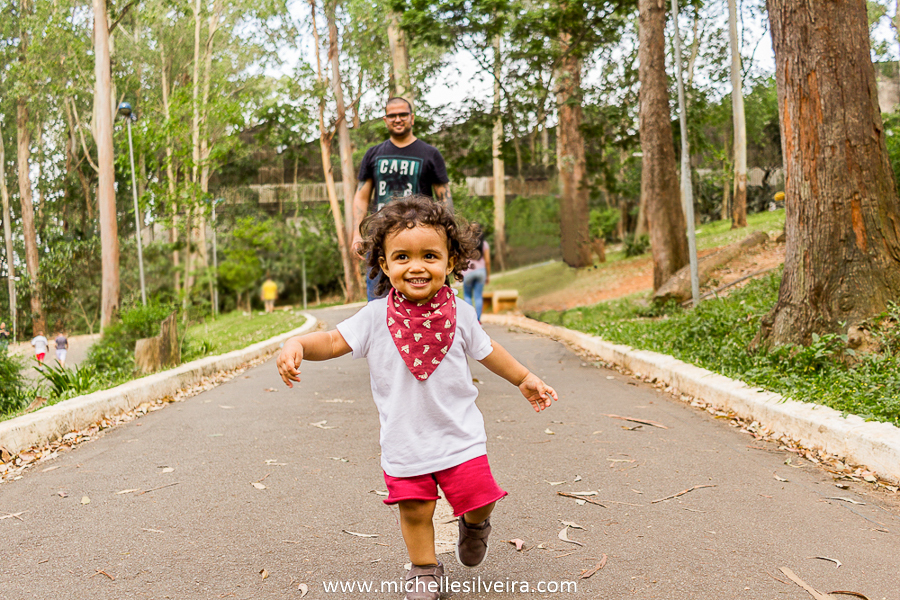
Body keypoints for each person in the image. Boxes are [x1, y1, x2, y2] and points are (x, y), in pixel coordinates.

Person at [277, 196, 557, 600]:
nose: (417, 266)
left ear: (450, 262)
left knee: (480, 499)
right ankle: (424, 569)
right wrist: (297, 343)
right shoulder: (375, 317)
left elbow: (488, 349)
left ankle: (475, 525)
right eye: (402, 257)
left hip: (459, 436)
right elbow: (334, 340)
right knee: (415, 509)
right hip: (404, 439)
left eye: (430, 255)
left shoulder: (460, 313)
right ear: (385, 265)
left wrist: (524, 378)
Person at [352, 97, 453, 301]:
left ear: (412, 118)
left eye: (403, 114)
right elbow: (362, 197)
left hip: (421, 239)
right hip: (380, 239)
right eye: (392, 115)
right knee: (378, 306)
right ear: (385, 119)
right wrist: (356, 232)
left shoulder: (430, 154)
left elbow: (445, 197)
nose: (398, 119)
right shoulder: (373, 154)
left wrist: (448, 234)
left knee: (428, 302)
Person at [461, 223, 491, 321]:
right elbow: (487, 261)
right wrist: (488, 276)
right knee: (478, 296)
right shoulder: (484, 244)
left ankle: (471, 320)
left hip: (468, 272)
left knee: (467, 296)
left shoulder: (465, 243)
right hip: (481, 272)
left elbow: (461, 259)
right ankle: (478, 320)